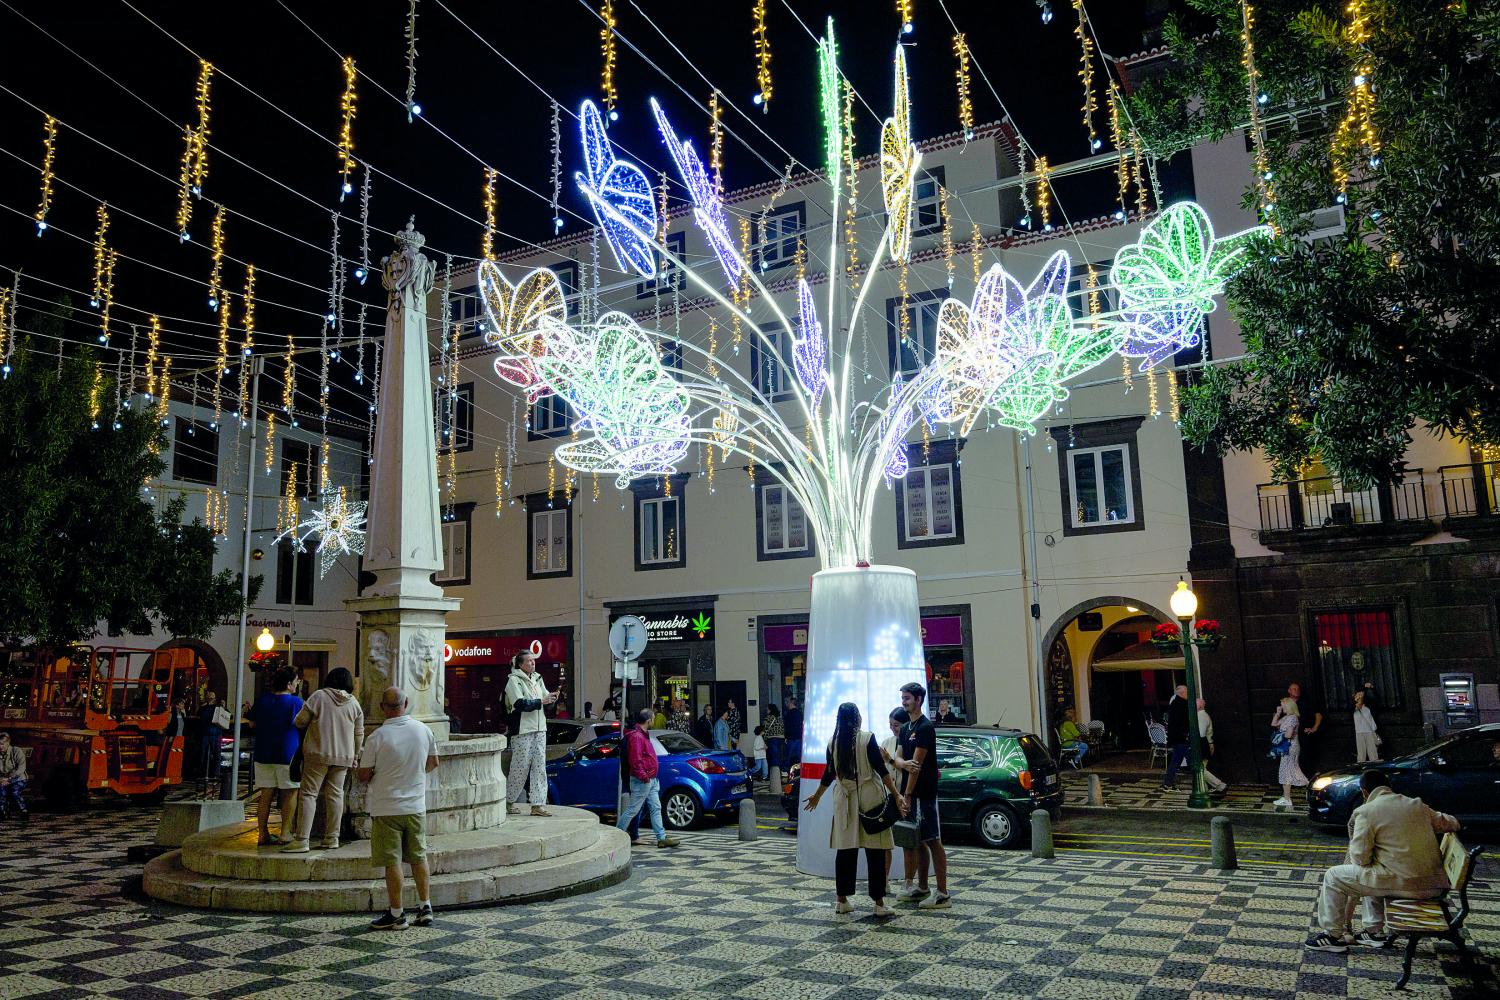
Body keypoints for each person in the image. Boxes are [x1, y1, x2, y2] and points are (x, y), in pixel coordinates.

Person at [1306, 770, 1462, 952]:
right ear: (1389, 788)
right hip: (1434, 884)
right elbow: (1452, 823)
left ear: (1364, 792)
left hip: (1407, 885)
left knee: (1334, 876)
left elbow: (1359, 859)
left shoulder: (1366, 812)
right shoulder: (1416, 805)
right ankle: (1373, 933)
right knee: (1375, 872)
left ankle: (1332, 936)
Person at [804, 702, 905, 917]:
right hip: (870, 798)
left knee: (845, 850)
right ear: (858, 717)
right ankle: (879, 903)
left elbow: (829, 774)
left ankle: (842, 900)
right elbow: (881, 769)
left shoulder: (833, 742)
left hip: (844, 799)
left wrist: (817, 796)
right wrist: (896, 795)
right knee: (875, 850)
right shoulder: (867, 738)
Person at [358, 687, 439, 930]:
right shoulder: (423, 730)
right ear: (407, 704)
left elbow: (363, 775)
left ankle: (397, 913)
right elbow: (433, 762)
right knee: (418, 856)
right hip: (415, 805)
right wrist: (412, 774)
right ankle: (425, 907)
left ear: (383, 707)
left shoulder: (377, 737)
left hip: (386, 807)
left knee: (392, 861)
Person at [283, 667, 364, 853]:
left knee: (309, 794)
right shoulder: (354, 703)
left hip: (317, 753)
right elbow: (359, 733)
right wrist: (355, 755)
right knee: (336, 796)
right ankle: (332, 838)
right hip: (343, 756)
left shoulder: (319, 696)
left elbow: (300, 721)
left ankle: (302, 839)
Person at [895, 682, 949, 909]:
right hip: (910, 792)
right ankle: (923, 886)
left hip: (924, 793)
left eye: (907, 698)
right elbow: (898, 759)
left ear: (918, 699)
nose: (903, 702)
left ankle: (943, 893)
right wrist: (902, 764)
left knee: (932, 840)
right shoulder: (906, 727)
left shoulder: (925, 728)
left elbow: (915, 765)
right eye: (903, 698)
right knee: (917, 841)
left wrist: (907, 794)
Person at [244, 666, 304, 846]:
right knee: (290, 792)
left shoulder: (262, 700)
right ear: (289, 684)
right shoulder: (296, 703)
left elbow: (252, 723)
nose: (297, 683)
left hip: (263, 752)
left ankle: (263, 833)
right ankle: (285, 832)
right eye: (296, 681)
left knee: (266, 794)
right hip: (287, 753)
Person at [616, 708, 681, 849]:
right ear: (648, 720)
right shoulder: (637, 737)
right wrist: (644, 776)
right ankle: (616, 836)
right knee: (633, 809)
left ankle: (661, 837)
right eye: (652, 718)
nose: (653, 720)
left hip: (650, 779)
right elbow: (636, 760)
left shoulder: (641, 734)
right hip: (643, 780)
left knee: (655, 807)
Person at [504, 649, 555, 817]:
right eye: (529, 661)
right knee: (520, 767)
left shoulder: (537, 678)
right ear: (520, 664)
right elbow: (519, 704)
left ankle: (537, 805)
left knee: (540, 767)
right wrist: (542, 701)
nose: (533, 663)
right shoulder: (513, 681)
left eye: (533, 660)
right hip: (522, 730)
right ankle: (508, 802)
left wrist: (551, 699)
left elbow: (544, 700)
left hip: (540, 729)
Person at [1272, 696, 1309, 809]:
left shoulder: (1293, 718)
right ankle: (1288, 797)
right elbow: (1274, 724)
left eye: (1283, 705)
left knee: (1287, 771)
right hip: (1286, 746)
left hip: (1290, 747)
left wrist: (1279, 735)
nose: (1281, 706)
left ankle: (1288, 798)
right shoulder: (1287, 717)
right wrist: (1278, 713)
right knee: (1290, 771)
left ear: (1288, 705)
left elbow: (1288, 735)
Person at [1161, 684, 1192, 790]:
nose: (1188, 694)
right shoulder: (1181, 704)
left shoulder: (1175, 703)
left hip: (1176, 738)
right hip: (1181, 738)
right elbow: (1183, 722)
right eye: (1187, 692)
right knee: (1193, 761)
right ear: (1182, 693)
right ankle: (1212, 783)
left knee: (1175, 761)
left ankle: (1167, 783)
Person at [1289, 681, 1324, 772]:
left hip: (1303, 734)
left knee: (1304, 757)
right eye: (1294, 689)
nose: (1296, 691)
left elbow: (1318, 715)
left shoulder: (1306, 703)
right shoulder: (1285, 703)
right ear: (1289, 691)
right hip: (1289, 736)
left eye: (1298, 689)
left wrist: (1314, 728)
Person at [1196, 698, 1229, 794]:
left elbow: (1201, 734)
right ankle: (1204, 791)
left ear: (1200, 706)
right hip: (1205, 744)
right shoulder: (1202, 715)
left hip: (1203, 745)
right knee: (1200, 769)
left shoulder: (1201, 716)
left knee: (1199, 769)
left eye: (1195, 704)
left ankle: (1220, 785)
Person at [198, 691, 224, 798]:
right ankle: (203, 775)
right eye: (209, 697)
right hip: (207, 733)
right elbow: (201, 716)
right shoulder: (204, 708)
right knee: (203, 755)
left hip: (214, 733)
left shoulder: (218, 707)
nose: (210, 699)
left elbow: (227, 715)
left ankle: (215, 775)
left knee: (216, 755)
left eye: (212, 697)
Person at [0, 731, 29, 823]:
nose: (0, 746)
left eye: (2, 744)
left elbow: (21, 768)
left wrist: (9, 778)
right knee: (1, 792)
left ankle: (23, 811)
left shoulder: (16, 751)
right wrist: (1, 780)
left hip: (19, 778)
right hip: (3, 779)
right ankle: (3, 812)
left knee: (15, 792)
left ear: (8, 743)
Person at [1353, 690, 1379, 763]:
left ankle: (1375, 766)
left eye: (1361, 694)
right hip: (1358, 733)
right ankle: (1361, 767)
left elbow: (1376, 701)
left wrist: (1371, 688)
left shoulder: (1368, 707)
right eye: (1358, 694)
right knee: (1361, 755)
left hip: (1369, 732)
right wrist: (1357, 702)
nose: (1360, 696)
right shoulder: (1353, 707)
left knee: (1373, 754)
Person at [762, 704, 785, 771]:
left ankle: (774, 772)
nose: (767, 711)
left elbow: (765, 729)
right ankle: (780, 771)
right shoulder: (780, 718)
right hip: (781, 738)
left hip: (772, 738)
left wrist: (764, 739)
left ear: (770, 710)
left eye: (767, 709)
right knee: (780, 756)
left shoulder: (769, 717)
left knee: (774, 756)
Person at [784, 697, 804, 766]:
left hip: (791, 738)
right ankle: (798, 771)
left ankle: (786, 771)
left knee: (788, 756)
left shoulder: (788, 713)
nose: (787, 703)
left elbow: (787, 726)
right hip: (799, 737)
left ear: (791, 703)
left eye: (788, 702)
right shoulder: (799, 713)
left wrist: (786, 736)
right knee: (799, 756)